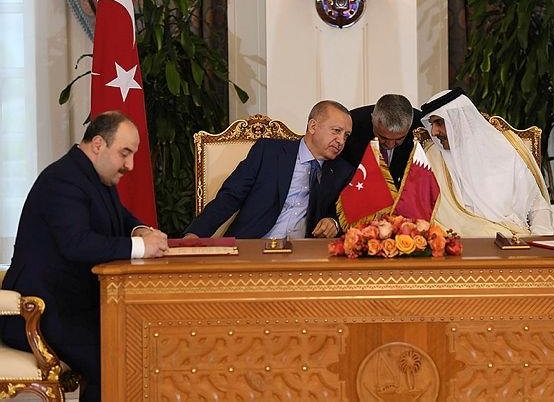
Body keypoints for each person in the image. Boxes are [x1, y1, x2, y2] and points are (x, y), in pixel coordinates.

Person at [0, 111, 169, 402]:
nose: (130, 165)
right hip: (38, 313)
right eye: (124, 153)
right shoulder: (62, 180)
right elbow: (77, 244)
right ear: (98, 144)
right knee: (117, 361)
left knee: (138, 346)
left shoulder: (95, 176)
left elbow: (120, 218)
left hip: (73, 307)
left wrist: (141, 230)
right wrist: (142, 248)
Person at [183, 100, 354, 239]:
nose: (341, 141)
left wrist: (334, 223)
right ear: (313, 126)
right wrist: (196, 233)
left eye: (346, 135)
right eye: (336, 131)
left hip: (301, 258)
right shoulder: (269, 152)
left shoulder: (342, 173)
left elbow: (345, 215)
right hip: (252, 248)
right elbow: (230, 196)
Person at [420, 88, 553, 237]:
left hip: (511, 241)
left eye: (439, 123)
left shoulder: (505, 150)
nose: (434, 132)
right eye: (432, 124)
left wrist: (540, 238)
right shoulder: (433, 158)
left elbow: (538, 206)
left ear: (457, 120)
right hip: (461, 244)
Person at [341, 94, 422, 188]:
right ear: (372, 119)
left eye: (399, 139)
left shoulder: (421, 127)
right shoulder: (350, 126)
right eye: (383, 138)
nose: (390, 145)